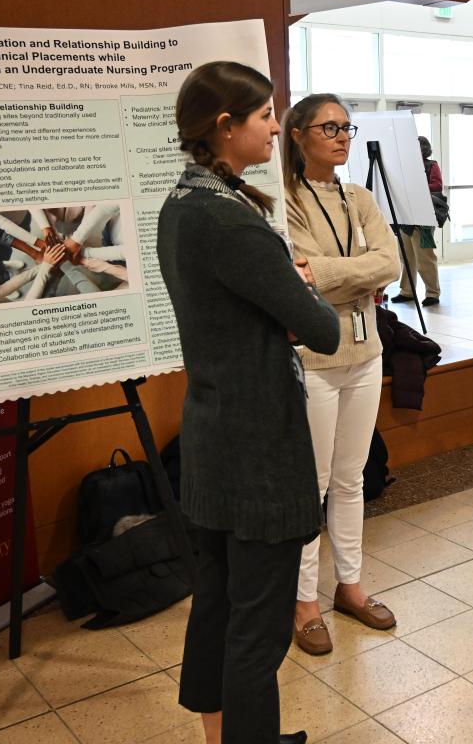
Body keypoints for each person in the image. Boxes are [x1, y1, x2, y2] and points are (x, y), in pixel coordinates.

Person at [157, 61, 340, 744]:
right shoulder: (229, 220)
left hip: (213, 435)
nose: (275, 126)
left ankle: (222, 737)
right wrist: (299, 292)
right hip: (256, 447)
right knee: (257, 632)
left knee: (219, 605)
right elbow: (319, 328)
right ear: (222, 126)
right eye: (263, 115)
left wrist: (287, 299)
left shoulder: (184, 203)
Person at [281, 94, 402, 655]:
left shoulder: (359, 196)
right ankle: (304, 600)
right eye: (328, 127)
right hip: (314, 360)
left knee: (352, 479)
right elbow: (301, 279)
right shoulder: (285, 199)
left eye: (346, 127)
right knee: (314, 483)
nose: (342, 136)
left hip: (366, 351)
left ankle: (349, 586)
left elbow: (392, 262)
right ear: (299, 134)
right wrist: (358, 275)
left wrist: (337, 275)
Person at [391, 135, 443, 306]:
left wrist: (415, 186)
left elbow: (437, 186)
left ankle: (432, 293)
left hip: (424, 217)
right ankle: (407, 291)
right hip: (405, 216)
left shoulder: (431, 165)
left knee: (425, 257)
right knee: (406, 256)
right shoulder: (404, 167)